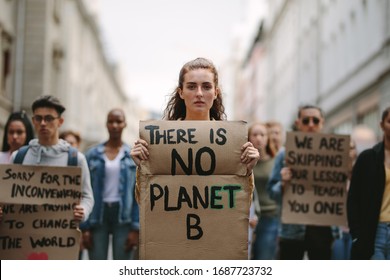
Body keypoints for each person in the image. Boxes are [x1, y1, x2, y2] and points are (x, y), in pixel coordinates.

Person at [130, 58, 260, 257]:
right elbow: (145, 202)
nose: (199, 93)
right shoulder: (160, 142)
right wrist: (143, 167)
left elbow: (239, 203)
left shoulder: (232, 142)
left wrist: (247, 170)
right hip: (174, 244)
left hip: (215, 243)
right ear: (181, 92)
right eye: (192, 86)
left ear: (216, 92)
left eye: (206, 86)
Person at [4, 95, 94, 224]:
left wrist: (83, 211)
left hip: (61, 237)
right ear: (33, 120)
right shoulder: (18, 157)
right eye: (38, 118)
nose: (43, 123)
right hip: (23, 236)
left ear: (60, 121)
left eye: (49, 118)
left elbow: (87, 196)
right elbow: (7, 195)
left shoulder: (76, 159)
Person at [267, 104, 337, 260]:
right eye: (306, 121)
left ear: (322, 123)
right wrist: (283, 183)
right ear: (298, 123)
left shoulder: (333, 154)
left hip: (323, 226)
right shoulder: (284, 154)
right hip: (292, 229)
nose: (311, 124)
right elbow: (271, 192)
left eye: (315, 120)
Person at [82, 108, 139, 260]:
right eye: (111, 121)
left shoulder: (132, 155)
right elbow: (83, 191)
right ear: (106, 124)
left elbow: (138, 193)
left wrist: (136, 227)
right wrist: (84, 227)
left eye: (118, 121)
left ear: (125, 124)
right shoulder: (92, 154)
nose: (115, 125)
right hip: (97, 216)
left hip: (123, 217)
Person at [347, 107, 390, 259]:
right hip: (374, 231)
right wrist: (357, 234)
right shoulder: (367, 158)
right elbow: (353, 198)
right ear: (382, 125)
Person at [249, 122, 279, 259]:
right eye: (254, 134)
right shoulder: (243, 161)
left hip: (270, 216)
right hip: (248, 218)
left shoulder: (276, 161)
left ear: (268, 138)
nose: (259, 138)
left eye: (262, 134)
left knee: (264, 258)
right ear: (248, 138)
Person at [332, 139, 357, 259]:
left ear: (355, 152)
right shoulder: (332, 174)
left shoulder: (361, 173)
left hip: (355, 230)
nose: (348, 152)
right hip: (337, 230)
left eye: (351, 148)